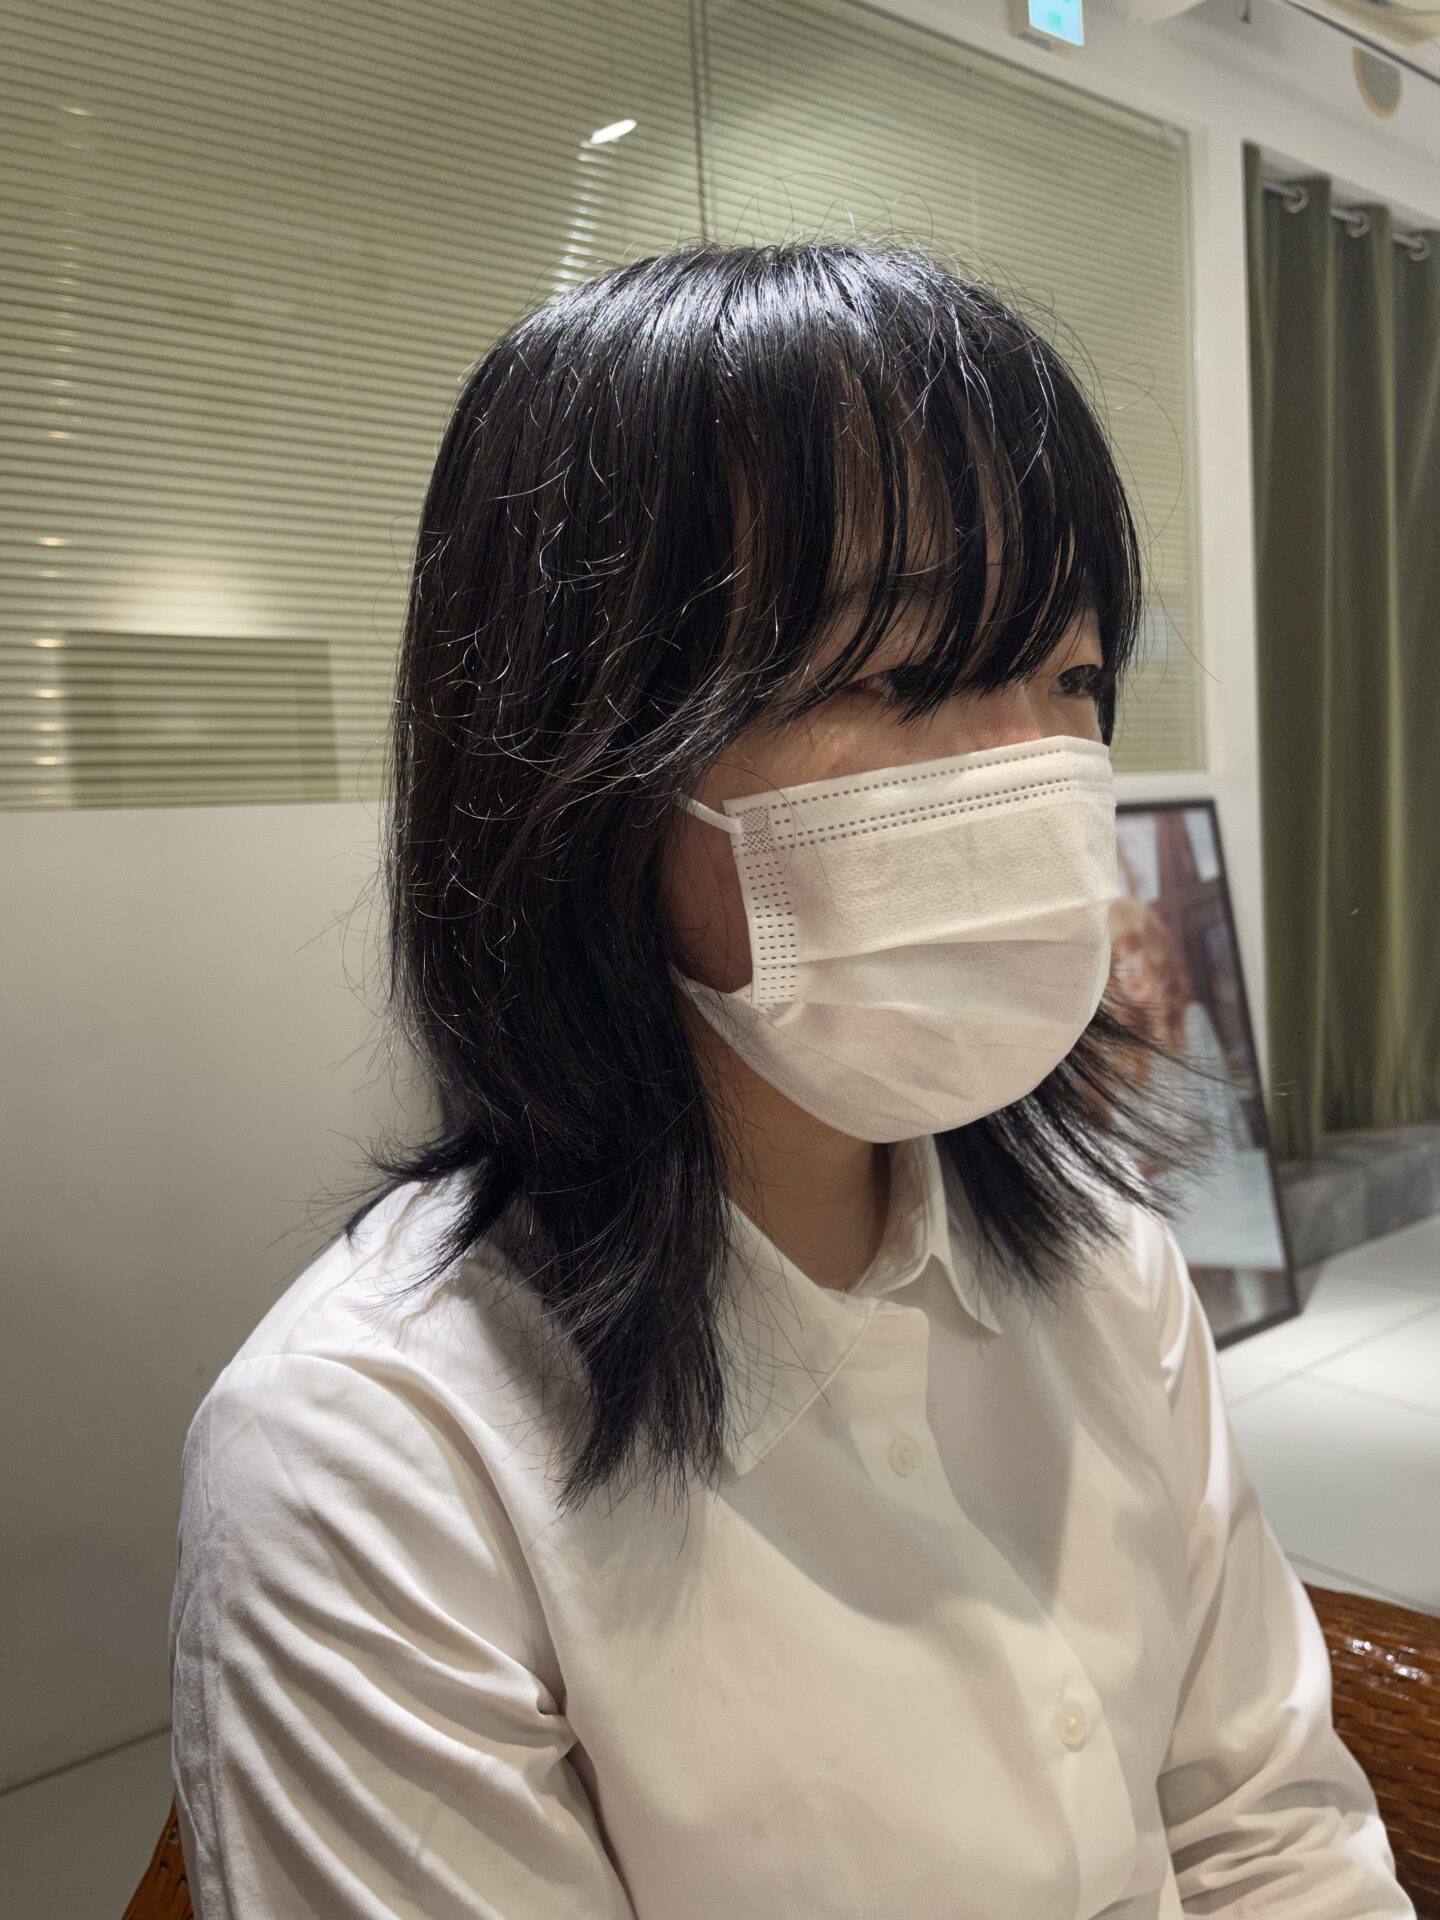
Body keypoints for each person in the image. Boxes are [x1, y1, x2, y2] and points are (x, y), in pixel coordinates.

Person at [168, 240, 1414, 1919]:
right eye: (897, 673)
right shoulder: (375, 1465)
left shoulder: (1107, 1268)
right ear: (574, 757)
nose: (1030, 776)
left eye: (1068, 677)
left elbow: (1266, 1827)